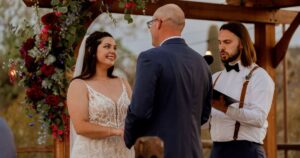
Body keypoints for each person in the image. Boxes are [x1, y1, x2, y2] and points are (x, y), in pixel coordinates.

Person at [124, 4, 212, 158]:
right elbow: (204, 114)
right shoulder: (202, 62)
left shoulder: (150, 58)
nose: (150, 29)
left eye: (150, 24)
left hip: (159, 151)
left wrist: (128, 138)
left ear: (158, 23)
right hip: (193, 151)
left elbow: (139, 111)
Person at [209, 22, 275, 158]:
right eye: (220, 42)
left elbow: (259, 119)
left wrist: (226, 109)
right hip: (217, 150)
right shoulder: (214, 78)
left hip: (246, 151)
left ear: (241, 44)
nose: (222, 47)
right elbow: (207, 123)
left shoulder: (259, 76)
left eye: (227, 42)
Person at [67, 31, 134, 158]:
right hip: (92, 153)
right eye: (107, 46)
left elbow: (135, 114)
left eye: (115, 48)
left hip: (123, 152)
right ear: (92, 51)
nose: (113, 51)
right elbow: (80, 126)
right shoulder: (79, 85)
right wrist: (115, 131)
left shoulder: (123, 82)